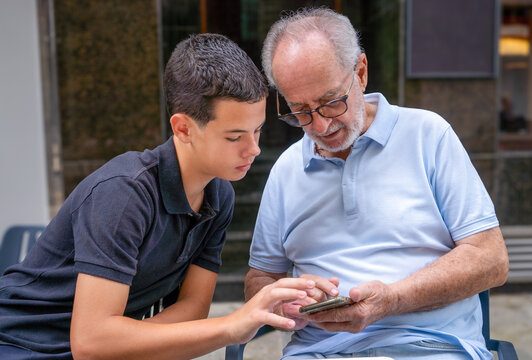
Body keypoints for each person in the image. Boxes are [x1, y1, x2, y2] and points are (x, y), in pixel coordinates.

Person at [0, 33, 318, 360]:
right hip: (20, 347)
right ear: (182, 129)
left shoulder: (218, 196)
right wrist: (233, 325)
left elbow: (193, 308)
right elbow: (91, 342)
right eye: (234, 136)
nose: (254, 149)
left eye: (257, 131)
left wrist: (127, 341)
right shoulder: (124, 194)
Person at [245, 8, 509, 360]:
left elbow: (491, 260)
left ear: (361, 72)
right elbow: (259, 279)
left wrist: (393, 299)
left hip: (430, 347)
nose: (321, 127)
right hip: (319, 353)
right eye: (300, 111)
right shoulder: (286, 169)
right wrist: (288, 302)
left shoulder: (428, 136)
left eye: (330, 103)